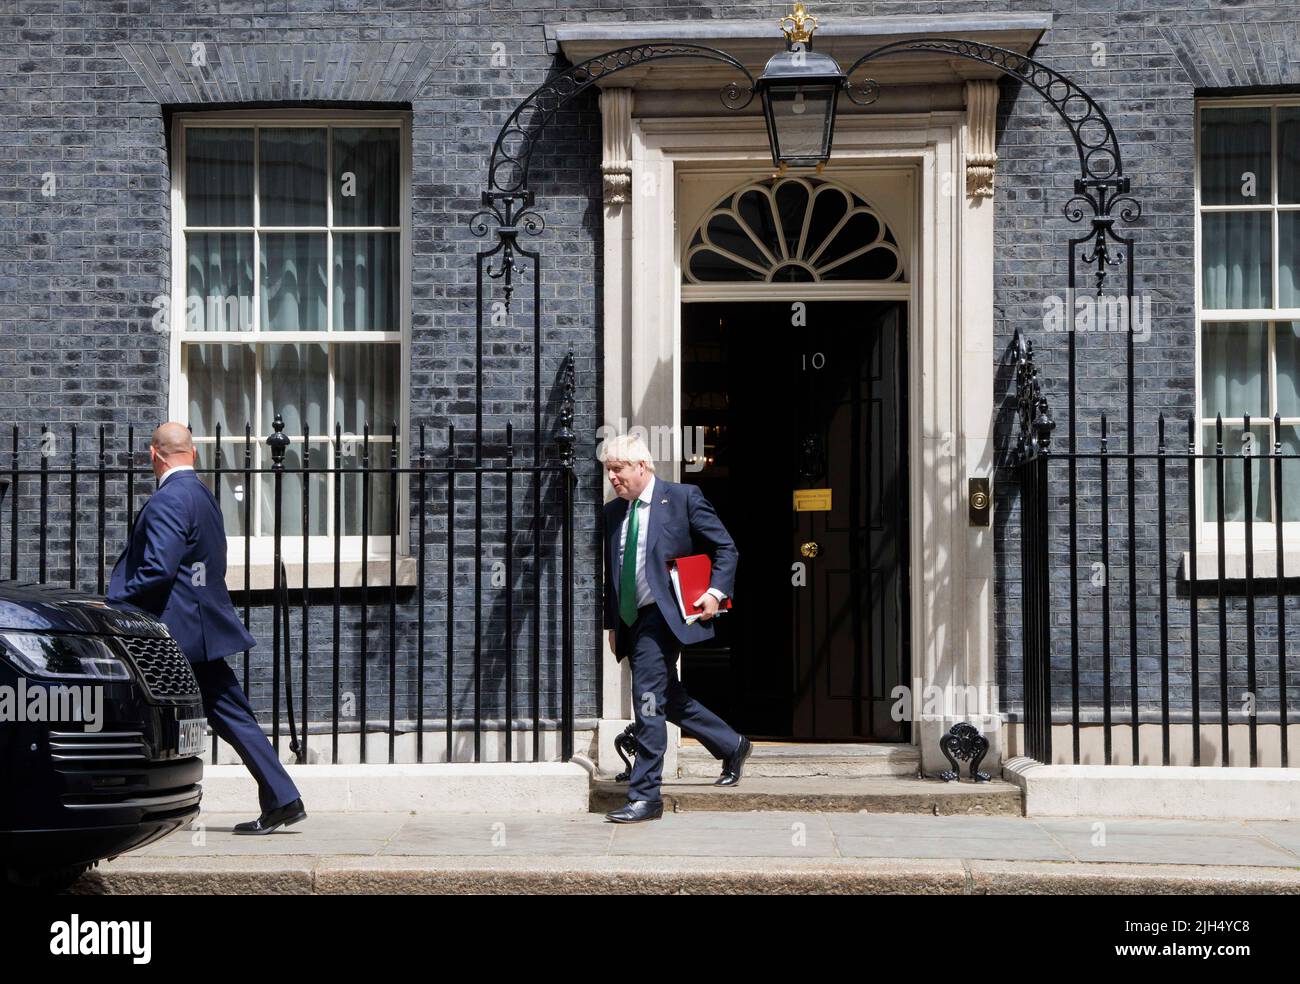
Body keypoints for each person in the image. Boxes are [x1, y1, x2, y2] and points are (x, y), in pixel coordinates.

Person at [108, 422, 306, 835]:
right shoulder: (202, 495)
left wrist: (116, 601)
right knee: (231, 713)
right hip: (201, 625)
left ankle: (123, 802)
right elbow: (214, 561)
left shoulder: (168, 501)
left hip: (175, 629)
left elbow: (157, 571)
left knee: (130, 706)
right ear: (193, 453)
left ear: (153, 455)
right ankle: (282, 798)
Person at [600, 433, 752, 823]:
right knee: (667, 694)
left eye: (618, 469)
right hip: (631, 619)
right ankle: (731, 743)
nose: (613, 478)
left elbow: (725, 548)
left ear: (642, 466)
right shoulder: (614, 512)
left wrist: (716, 593)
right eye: (608, 471)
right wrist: (612, 623)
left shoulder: (682, 498)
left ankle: (646, 794)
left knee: (647, 698)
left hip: (663, 616)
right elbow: (611, 575)